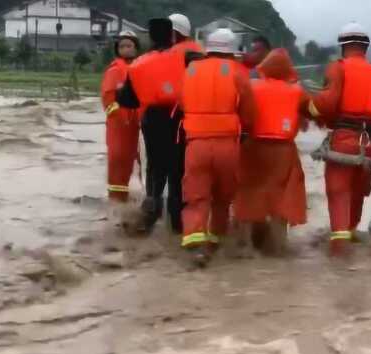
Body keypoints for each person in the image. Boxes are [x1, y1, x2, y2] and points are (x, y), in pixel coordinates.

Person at [309, 22, 371, 257]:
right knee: (357, 193)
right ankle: (352, 234)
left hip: (344, 139)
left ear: (343, 47)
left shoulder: (338, 68)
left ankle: (339, 254)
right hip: (369, 145)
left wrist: (308, 107)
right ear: (365, 47)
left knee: (338, 193)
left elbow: (327, 104)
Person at [180, 28, 257, 267]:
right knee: (223, 196)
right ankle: (215, 240)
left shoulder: (190, 70)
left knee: (196, 196)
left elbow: (181, 103)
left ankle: (196, 243)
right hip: (227, 144)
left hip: (196, 144)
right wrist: (246, 132)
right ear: (232, 52)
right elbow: (249, 111)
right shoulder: (238, 72)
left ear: (208, 48)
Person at [234, 48, 311, 257]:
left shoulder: (250, 86)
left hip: (252, 147)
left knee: (248, 193)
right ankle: (279, 249)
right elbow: (309, 119)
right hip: (284, 151)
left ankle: (245, 246)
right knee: (282, 198)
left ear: (264, 68)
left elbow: (238, 114)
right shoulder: (298, 91)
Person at [117, 18, 185, 234]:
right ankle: (177, 225)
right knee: (177, 173)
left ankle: (147, 220)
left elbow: (127, 100)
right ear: (172, 36)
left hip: (152, 121)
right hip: (178, 118)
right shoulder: (186, 59)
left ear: (150, 37)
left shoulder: (138, 64)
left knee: (155, 171)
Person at [101, 31, 141, 204]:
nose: (125, 49)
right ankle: (116, 204)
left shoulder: (141, 67)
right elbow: (108, 98)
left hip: (135, 125)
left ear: (136, 48)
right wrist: (121, 116)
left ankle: (125, 202)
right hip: (119, 126)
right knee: (117, 162)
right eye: (122, 46)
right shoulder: (114, 70)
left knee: (129, 164)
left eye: (129, 45)